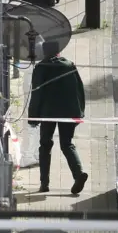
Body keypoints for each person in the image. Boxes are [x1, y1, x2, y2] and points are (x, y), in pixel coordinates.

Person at [28, 41, 88, 194]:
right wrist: (79, 113)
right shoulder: (69, 65)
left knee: (45, 145)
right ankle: (78, 174)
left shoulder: (41, 68)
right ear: (58, 52)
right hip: (69, 112)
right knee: (67, 144)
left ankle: (44, 183)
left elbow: (37, 93)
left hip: (48, 114)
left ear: (44, 52)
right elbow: (79, 89)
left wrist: (33, 117)